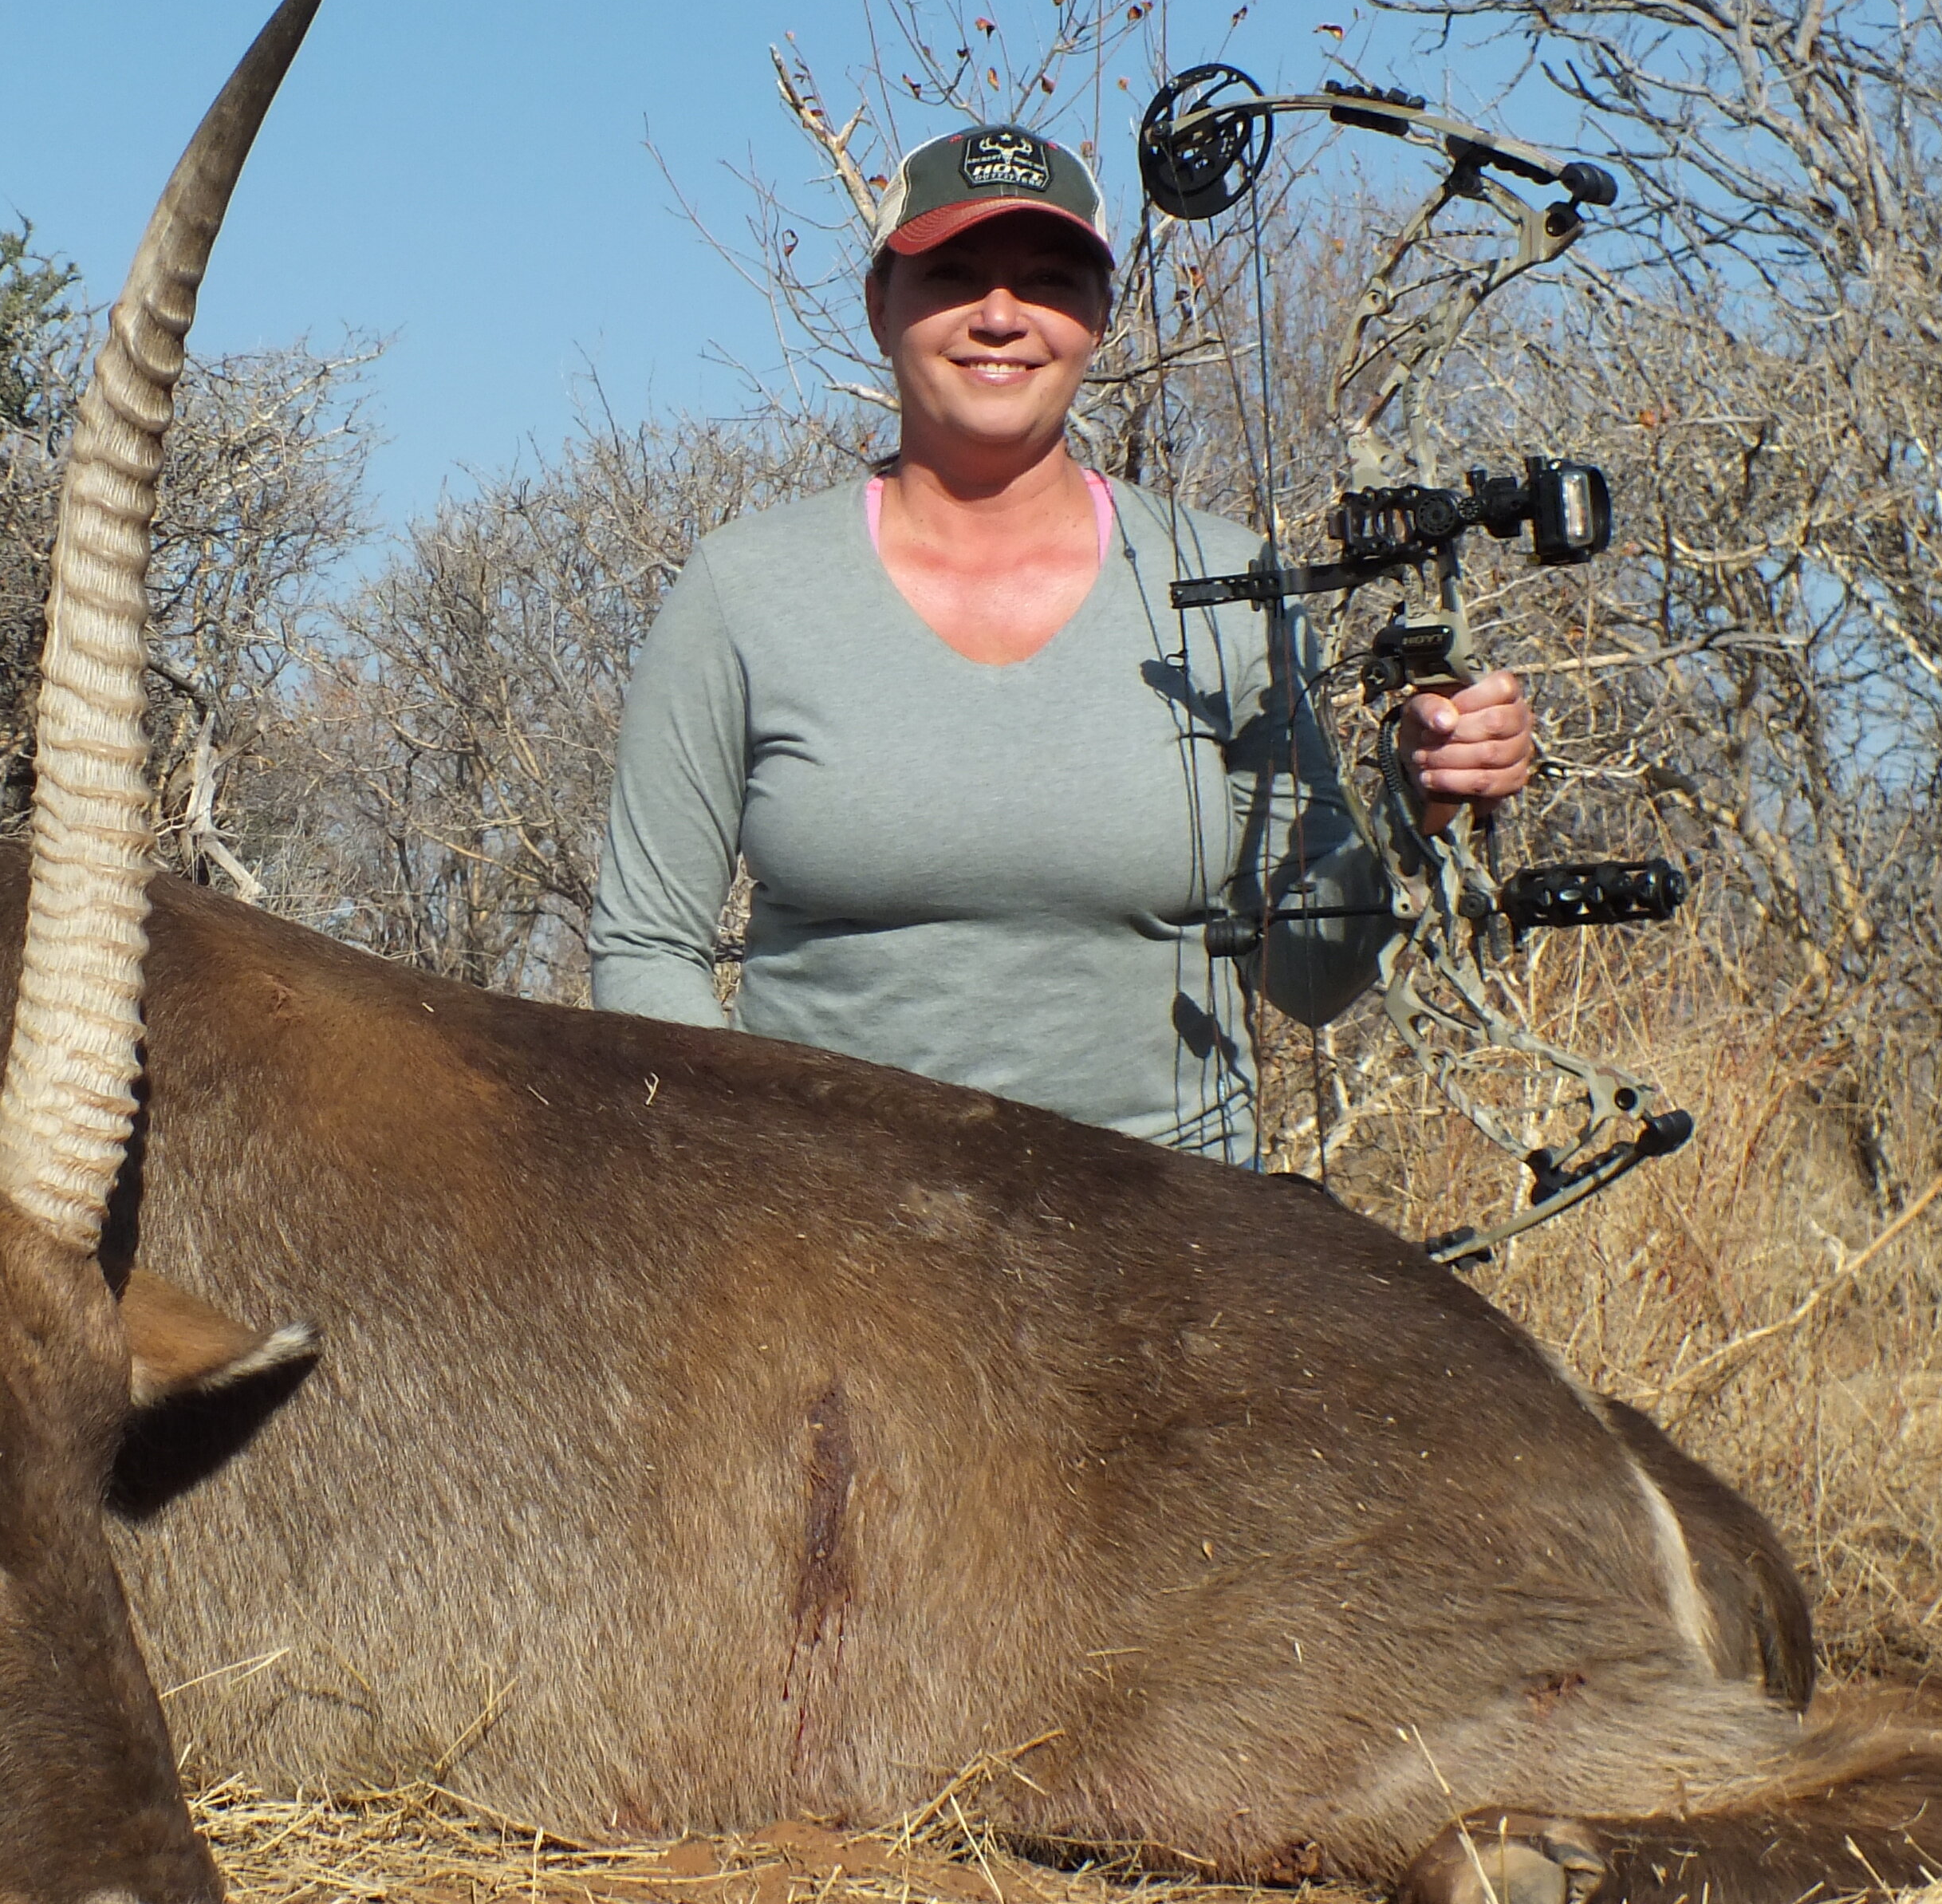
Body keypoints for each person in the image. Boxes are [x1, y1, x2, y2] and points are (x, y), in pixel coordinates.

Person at [584, 119, 1538, 1161]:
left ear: (1098, 318)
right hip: (835, 1249)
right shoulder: (743, 587)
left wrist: (1417, 803)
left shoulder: (1233, 582)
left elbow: (1311, 976)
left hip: (1173, 1238)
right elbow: (646, 947)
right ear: (878, 305)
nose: (1002, 316)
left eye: (1048, 280)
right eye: (953, 275)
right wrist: (743, 1179)